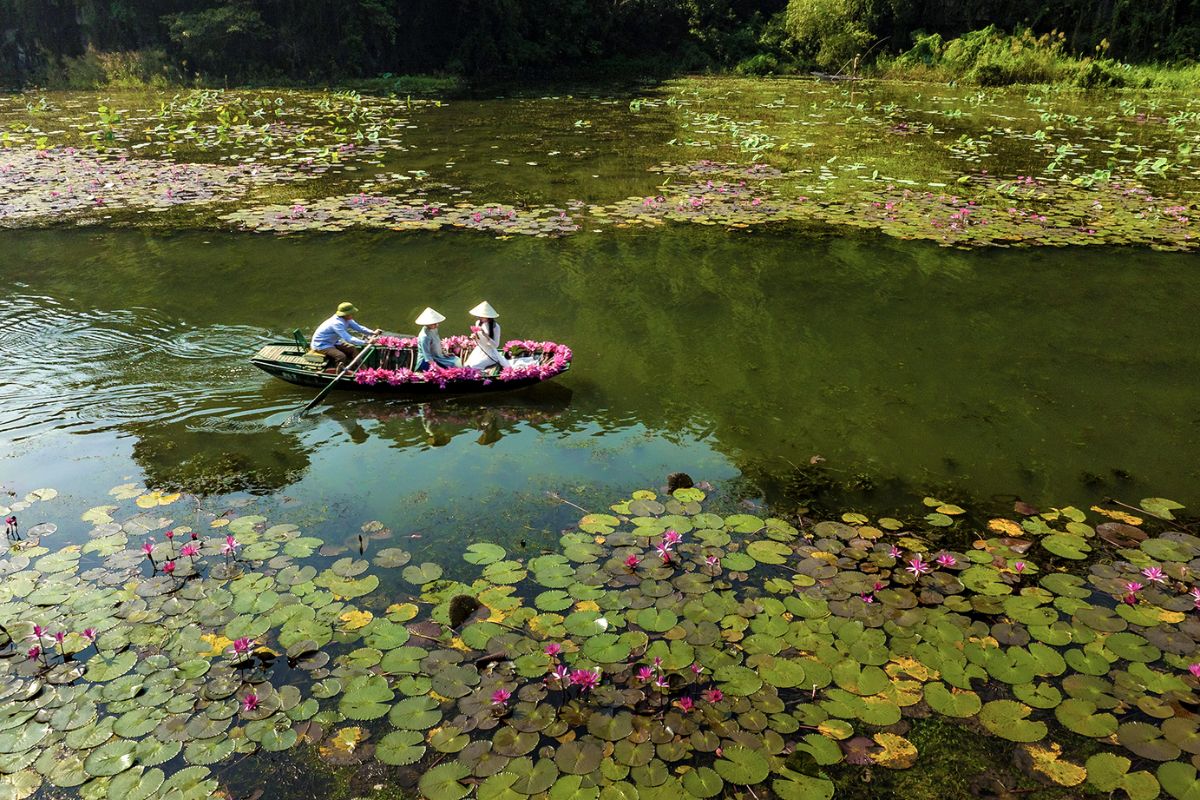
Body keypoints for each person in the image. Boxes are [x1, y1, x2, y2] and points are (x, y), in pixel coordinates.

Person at [310, 302, 380, 370]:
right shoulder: (337, 323)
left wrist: (372, 333)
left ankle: (361, 368)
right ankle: (339, 371)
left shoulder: (347, 319)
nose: (352, 315)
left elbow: (359, 328)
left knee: (352, 349)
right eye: (351, 313)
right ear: (345, 314)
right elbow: (348, 338)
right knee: (341, 356)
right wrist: (366, 342)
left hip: (333, 342)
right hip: (321, 345)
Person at [463, 301, 511, 371]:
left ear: (488, 316)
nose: (479, 318)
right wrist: (474, 337)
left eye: (482, 316)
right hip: (479, 350)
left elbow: (496, 345)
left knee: (474, 366)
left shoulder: (495, 327)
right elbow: (479, 341)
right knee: (467, 365)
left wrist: (485, 335)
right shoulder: (478, 323)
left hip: (490, 353)